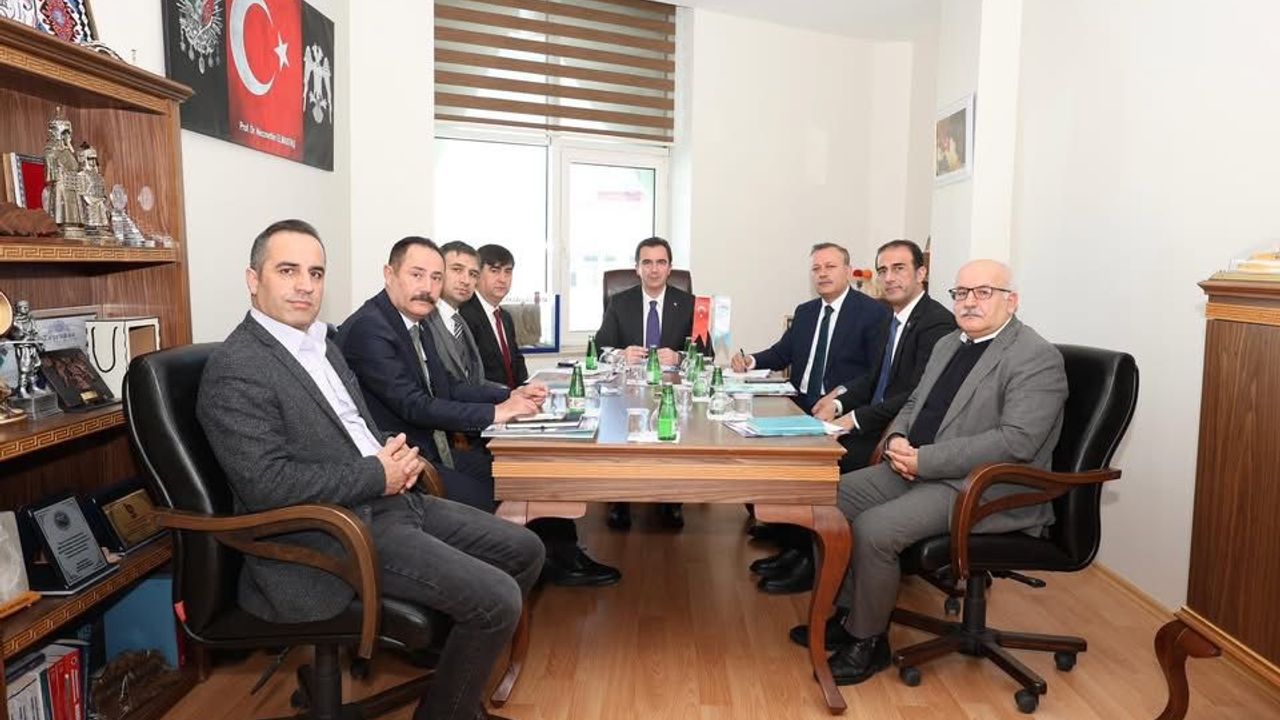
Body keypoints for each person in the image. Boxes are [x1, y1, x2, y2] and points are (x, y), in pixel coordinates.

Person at [197, 219, 543, 720]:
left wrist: (395, 455)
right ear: (253, 279)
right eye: (288, 271)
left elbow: (354, 429)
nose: (305, 285)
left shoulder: (320, 344)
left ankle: (453, 689)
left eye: (316, 273)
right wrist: (378, 474)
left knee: (526, 550)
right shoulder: (238, 367)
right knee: (497, 600)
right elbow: (266, 485)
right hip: (334, 532)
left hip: (389, 500)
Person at [789, 259, 1068, 688]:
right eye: (961, 293)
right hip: (917, 467)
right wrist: (897, 438)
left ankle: (868, 641)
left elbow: (1016, 442)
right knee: (828, 500)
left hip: (982, 486)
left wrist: (926, 460)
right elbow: (913, 403)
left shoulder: (1035, 357)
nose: (969, 302)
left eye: (983, 292)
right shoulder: (949, 344)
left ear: (1011, 301)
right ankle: (847, 614)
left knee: (876, 530)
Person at [338, 237, 618, 587]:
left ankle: (546, 559)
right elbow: (414, 405)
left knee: (520, 472)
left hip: (433, 449)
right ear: (389, 274)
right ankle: (509, 571)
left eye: (435, 278)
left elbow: (450, 387)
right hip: (408, 465)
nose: (428, 287)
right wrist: (496, 413)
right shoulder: (372, 328)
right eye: (417, 275)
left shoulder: (414, 321)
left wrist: (510, 395)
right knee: (500, 485)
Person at [750, 240, 955, 595]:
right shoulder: (895, 318)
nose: (889, 278)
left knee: (817, 463)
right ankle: (799, 548)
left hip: (900, 434)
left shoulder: (934, 323)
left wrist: (855, 418)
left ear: (921, 273)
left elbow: (915, 394)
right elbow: (874, 378)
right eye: (883, 270)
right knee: (793, 449)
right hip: (875, 420)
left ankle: (812, 561)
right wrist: (840, 404)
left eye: (899, 269)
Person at [593, 237, 697, 531]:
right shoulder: (620, 302)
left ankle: (671, 500)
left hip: (671, 389)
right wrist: (620, 354)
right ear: (637, 268)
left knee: (676, 429)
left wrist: (679, 357)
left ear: (670, 268)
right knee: (620, 427)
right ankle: (620, 499)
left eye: (661, 262)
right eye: (647, 263)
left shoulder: (688, 303)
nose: (654, 269)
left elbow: (707, 354)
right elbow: (599, 349)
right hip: (629, 388)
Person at [731, 243, 888, 412]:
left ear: (848, 271)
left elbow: (875, 373)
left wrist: (838, 401)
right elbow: (781, 354)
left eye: (830, 267)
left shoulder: (872, 312)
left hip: (839, 406)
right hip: (797, 403)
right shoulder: (805, 312)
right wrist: (750, 360)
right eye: (816, 269)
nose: (822, 274)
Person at [458, 244, 529, 390]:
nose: (502, 279)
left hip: (514, 399)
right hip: (486, 400)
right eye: (494, 271)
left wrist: (525, 389)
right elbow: (470, 376)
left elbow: (517, 362)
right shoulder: (464, 315)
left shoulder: (506, 317)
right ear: (477, 275)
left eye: (507, 272)